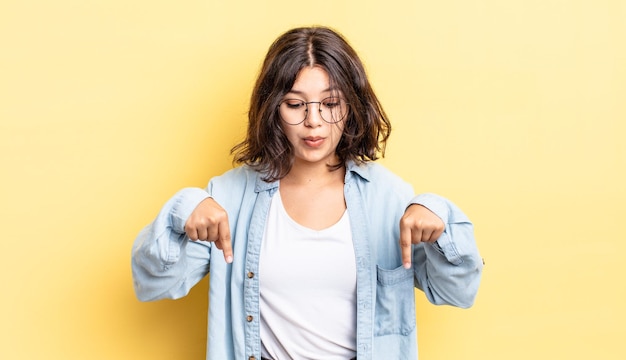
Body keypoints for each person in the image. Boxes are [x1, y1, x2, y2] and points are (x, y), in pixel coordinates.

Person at [132, 26, 483, 360]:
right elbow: (152, 283)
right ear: (273, 110)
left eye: (330, 104)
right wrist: (183, 211)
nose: (313, 121)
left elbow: (457, 292)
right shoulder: (228, 196)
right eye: (296, 104)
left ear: (351, 107)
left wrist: (440, 220)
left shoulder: (389, 197)